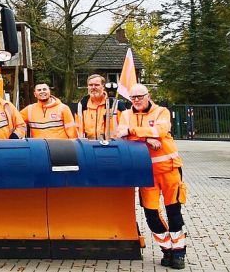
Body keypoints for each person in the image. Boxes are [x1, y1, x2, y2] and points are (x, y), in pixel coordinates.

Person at [116, 84, 187, 269]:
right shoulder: (125, 115)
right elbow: (120, 136)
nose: (137, 100)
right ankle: (167, 250)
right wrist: (147, 138)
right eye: (133, 97)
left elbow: (160, 131)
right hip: (145, 173)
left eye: (140, 96)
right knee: (152, 216)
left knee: (174, 213)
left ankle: (179, 253)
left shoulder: (161, 112)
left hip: (170, 170)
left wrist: (133, 132)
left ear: (148, 96)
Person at [76, 74, 120, 140]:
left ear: (103, 86)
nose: (93, 87)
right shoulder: (82, 105)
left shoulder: (115, 105)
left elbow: (124, 128)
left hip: (111, 146)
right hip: (88, 146)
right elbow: (77, 129)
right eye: (90, 85)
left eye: (96, 85)